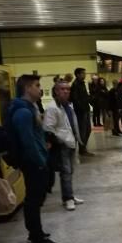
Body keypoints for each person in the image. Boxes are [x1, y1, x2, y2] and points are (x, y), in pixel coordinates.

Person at [6, 75, 60, 243]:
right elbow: (27, 142)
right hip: (33, 162)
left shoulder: (30, 108)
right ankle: (36, 238)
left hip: (37, 159)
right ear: (27, 88)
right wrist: (40, 161)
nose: (40, 89)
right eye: (37, 85)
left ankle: (36, 233)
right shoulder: (23, 112)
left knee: (36, 198)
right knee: (33, 200)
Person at [43, 80, 84, 212]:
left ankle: (69, 195)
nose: (66, 91)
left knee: (70, 171)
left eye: (68, 89)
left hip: (71, 142)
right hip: (62, 144)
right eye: (62, 89)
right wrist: (60, 141)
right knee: (65, 172)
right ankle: (68, 199)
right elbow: (48, 128)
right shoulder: (52, 107)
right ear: (56, 91)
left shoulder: (68, 105)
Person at [70, 68, 94, 156]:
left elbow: (85, 96)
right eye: (83, 73)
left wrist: (90, 102)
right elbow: (75, 99)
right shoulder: (75, 85)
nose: (84, 75)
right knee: (82, 131)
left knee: (88, 130)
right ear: (77, 74)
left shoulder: (82, 84)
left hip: (86, 109)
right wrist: (82, 108)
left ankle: (83, 148)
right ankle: (82, 149)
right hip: (80, 111)